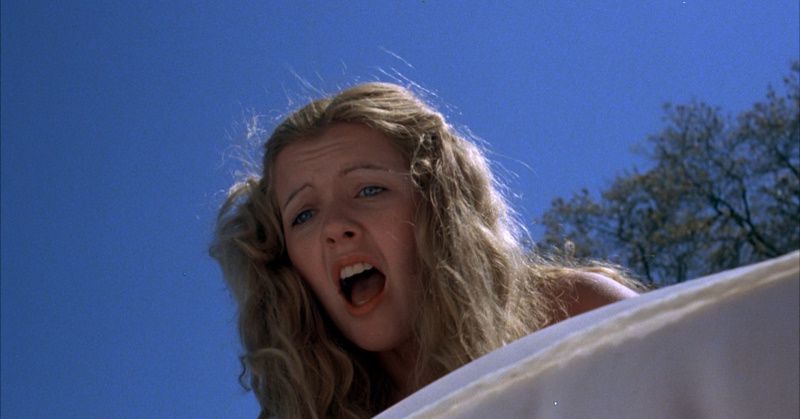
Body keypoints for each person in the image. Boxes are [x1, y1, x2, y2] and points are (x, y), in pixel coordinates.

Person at [210, 82, 639, 418]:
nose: (334, 227)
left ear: (438, 205)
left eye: (369, 189)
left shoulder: (576, 317)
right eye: (303, 214)